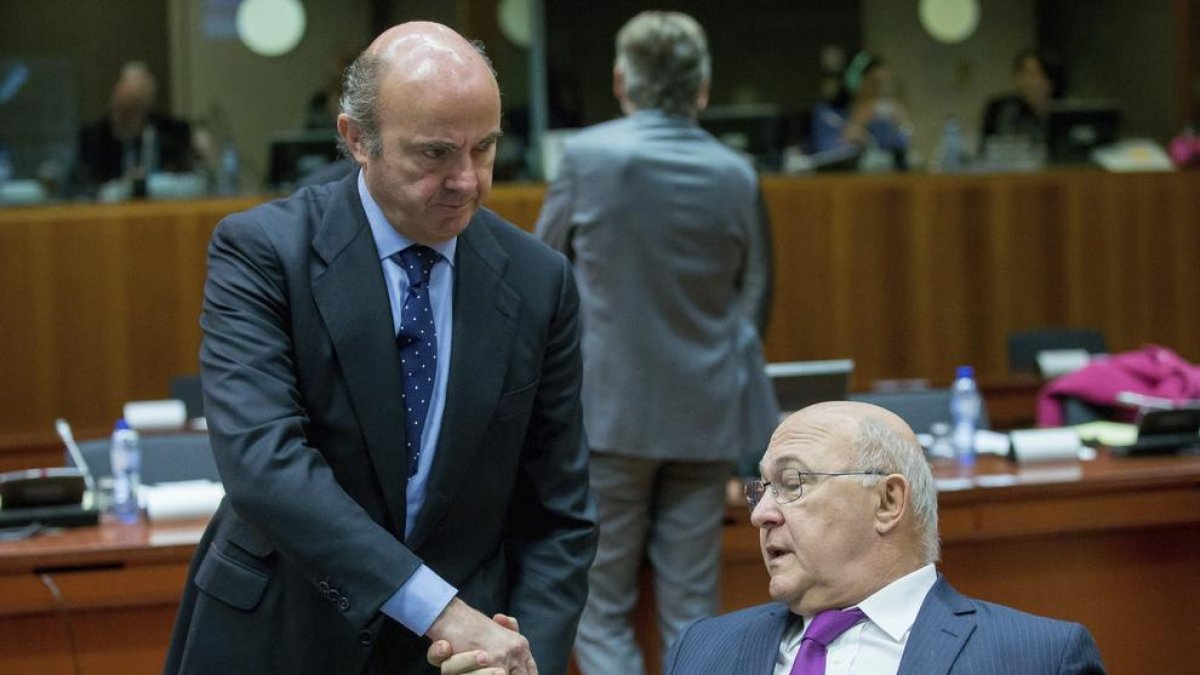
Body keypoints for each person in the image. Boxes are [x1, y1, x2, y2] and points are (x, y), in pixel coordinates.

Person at [164, 21, 597, 675]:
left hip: (457, 659)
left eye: (483, 148)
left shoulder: (538, 280)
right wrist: (437, 606)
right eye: (433, 154)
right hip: (281, 636)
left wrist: (516, 659)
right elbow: (265, 464)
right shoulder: (263, 253)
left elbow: (558, 515)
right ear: (356, 139)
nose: (467, 181)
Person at [534, 11, 778, 675]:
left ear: (620, 81)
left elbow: (540, 278)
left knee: (601, 604)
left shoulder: (586, 158)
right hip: (706, 416)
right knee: (692, 606)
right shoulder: (737, 172)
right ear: (702, 88)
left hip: (607, 414)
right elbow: (755, 294)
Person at [660, 401, 1107, 674]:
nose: (761, 514)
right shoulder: (704, 650)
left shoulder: (1035, 659)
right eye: (762, 489)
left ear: (888, 501)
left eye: (792, 484)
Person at [70, 62, 194, 197]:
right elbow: (80, 188)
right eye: (115, 108)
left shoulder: (173, 133)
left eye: (127, 112)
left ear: (145, 110)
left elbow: (192, 182)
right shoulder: (94, 137)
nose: (117, 118)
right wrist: (119, 189)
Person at [810, 52, 913, 170]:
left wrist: (901, 125)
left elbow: (901, 152)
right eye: (875, 84)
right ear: (854, 82)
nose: (882, 92)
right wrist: (858, 121)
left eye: (886, 84)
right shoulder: (827, 115)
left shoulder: (882, 122)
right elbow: (827, 157)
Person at [979, 49, 1065, 156]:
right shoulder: (1001, 109)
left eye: (1032, 74)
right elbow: (984, 151)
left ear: (1049, 80)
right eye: (1020, 73)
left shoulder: (1062, 114)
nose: (1025, 81)